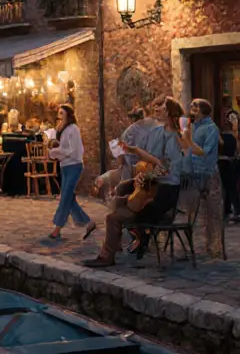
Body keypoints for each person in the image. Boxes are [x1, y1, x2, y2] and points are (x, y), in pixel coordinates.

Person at [83, 97, 184, 267]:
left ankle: (109, 254)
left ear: (169, 112)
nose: (156, 110)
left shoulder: (175, 138)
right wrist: (142, 173)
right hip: (153, 184)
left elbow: (166, 168)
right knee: (121, 193)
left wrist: (149, 174)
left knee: (113, 217)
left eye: (161, 107)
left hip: (165, 191)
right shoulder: (157, 133)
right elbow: (150, 161)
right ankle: (130, 234)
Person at [181, 98, 222, 258]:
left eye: (196, 106)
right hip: (194, 174)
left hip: (209, 174)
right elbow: (188, 149)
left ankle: (215, 248)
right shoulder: (192, 127)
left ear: (204, 110)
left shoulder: (211, 128)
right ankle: (191, 249)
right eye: (191, 105)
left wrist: (188, 140)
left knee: (213, 213)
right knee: (191, 213)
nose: (192, 107)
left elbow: (204, 152)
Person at [47, 104, 95, 240]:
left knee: (65, 196)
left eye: (62, 113)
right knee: (69, 197)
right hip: (64, 166)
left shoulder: (73, 129)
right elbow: (62, 147)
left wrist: (55, 152)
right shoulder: (61, 128)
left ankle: (57, 227)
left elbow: (73, 151)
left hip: (74, 165)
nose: (59, 115)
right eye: (59, 113)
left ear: (68, 114)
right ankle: (88, 223)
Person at [92, 106, 155, 200]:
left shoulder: (128, 132)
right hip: (143, 166)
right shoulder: (149, 130)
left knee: (123, 187)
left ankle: (107, 187)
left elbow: (119, 153)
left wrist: (120, 164)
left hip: (129, 167)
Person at [221, 109, 239, 221]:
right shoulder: (222, 133)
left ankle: (236, 209)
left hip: (233, 161)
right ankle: (227, 210)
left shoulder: (234, 134)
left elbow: (237, 149)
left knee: (231, 186)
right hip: (226, 161)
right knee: (228, 186)